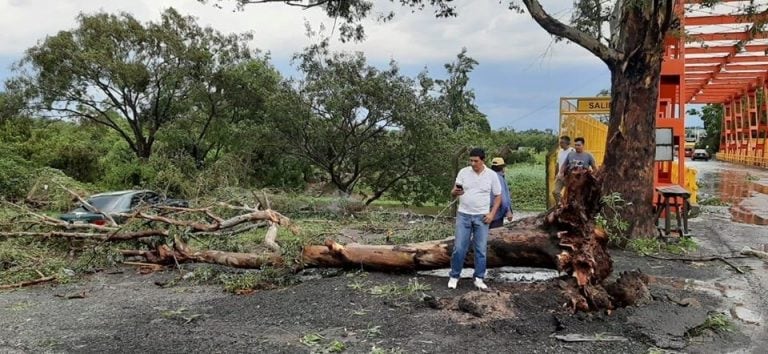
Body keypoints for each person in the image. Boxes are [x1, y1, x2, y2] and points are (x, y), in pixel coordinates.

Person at [449, 148, 501, 291]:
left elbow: (498, 196)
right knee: (459, 248)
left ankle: (479, 278)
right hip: (464, 214)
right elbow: (453, 192)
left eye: (476, 161)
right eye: (471, 160)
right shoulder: (463, 172)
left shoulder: (491, 175)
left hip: (482, 216)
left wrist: (492, 214)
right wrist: (455, 192)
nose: (472, 163)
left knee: (481, 250)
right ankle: (454, 276)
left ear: (482, 160)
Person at [489, 157, 513, 229]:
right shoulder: (499, 178)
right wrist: (508, 211)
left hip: (487, 213)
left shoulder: (488, 176)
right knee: (495, 236)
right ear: (502, 167)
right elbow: (503, 197)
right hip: (497, 214)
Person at [553, 136, 575, 204]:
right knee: (555, 192)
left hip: (568, 176)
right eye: (560, 142)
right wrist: (556, 174)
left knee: (570, 193)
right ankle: (561, 205)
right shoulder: (560, 151)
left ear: (567, 143)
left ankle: (568, 206)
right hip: (560, 176)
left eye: (562, 142)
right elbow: (557, 163)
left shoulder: (572, 151)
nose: (560, 144)